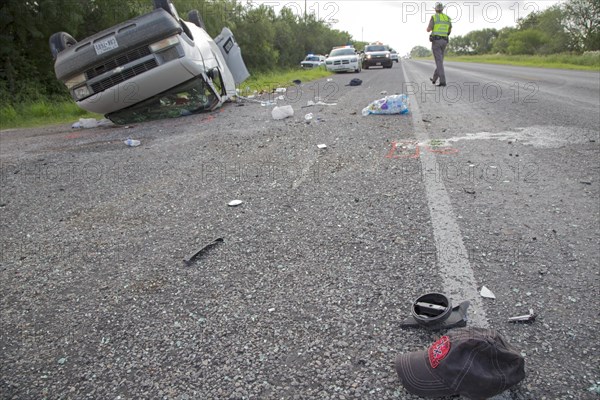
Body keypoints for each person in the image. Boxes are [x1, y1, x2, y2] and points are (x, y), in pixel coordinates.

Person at [427, 2, 452, 86]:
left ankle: (442, 81)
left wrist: (429, 29)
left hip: (436, 42)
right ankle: (434, 79)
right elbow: (449, 30)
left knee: (439, 62)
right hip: (444, 41)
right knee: (440, 61)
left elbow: (428, 29)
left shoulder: (434, 17)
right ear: (442, 9)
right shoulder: (447, 18)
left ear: (435, 9)